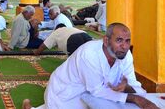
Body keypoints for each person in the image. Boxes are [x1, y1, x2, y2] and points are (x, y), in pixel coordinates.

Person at [23, 23, 158, 109]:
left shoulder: (125, 55)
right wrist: (135, 98)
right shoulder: (89, 54)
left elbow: (134, 84)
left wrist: (128, 88)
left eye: (127, 41)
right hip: (66, 91)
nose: (124, 46)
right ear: (106, 40)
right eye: (119, 40)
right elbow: (97, 90)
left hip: (92, 92)